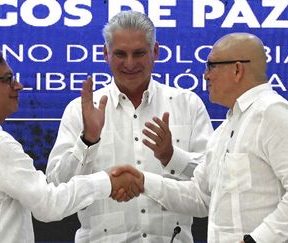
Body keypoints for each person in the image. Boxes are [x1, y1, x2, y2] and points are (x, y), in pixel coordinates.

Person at [115, 33, 288, 243]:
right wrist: (143, 182)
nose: (205, 75)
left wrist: (255, 240)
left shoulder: (272, 112)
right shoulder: (224, 129)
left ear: (237, 69)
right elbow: (200, 196)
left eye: (211, 66)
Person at [0, 48, 143, 243]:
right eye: (7, 79)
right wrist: (108, 181)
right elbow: (48, 204)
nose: (18, 86)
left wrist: (89, 139)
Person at [46, 10, 213, 242]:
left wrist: (172, 156)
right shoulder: (81, 110)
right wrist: (88, 141)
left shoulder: (188, 104)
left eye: (139, 53)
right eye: (120, 54)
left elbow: (213, 187)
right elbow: (55, 189)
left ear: (155, 52)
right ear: (106, 54)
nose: (130, 63)